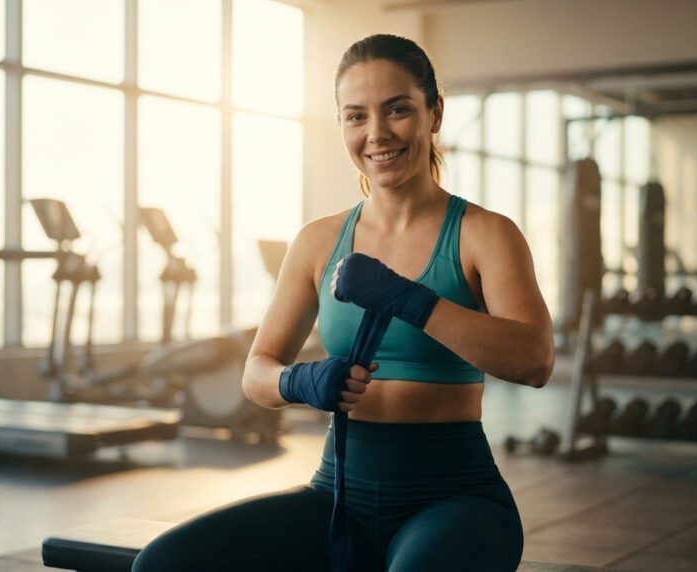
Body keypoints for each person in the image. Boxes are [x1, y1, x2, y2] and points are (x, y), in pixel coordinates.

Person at [132, 33, 554, 572]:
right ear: (342, 126)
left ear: (435, 113)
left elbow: (535, 360)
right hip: (337, 495)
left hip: (454, 499)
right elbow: (255, 372)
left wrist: (410, 298)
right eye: (356, 116)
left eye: (397, 110)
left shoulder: (484, 234)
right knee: (162, 564)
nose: (377, 133)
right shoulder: (317, 241)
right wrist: (301, 382)